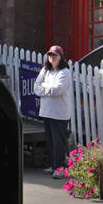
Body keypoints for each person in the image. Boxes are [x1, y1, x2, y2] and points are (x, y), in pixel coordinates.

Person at [36, 46, 72, 177]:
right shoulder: (46, 70)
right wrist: (47, 89)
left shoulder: (64, 72)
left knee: (59, 142)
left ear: (61, 57)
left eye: (55, 55)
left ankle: (60, 168)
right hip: (46, 111)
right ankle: (53, 166)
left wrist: (44, 86)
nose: (52, 58)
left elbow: (58, 90)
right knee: (50, 141)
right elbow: (36, 87)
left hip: (59, 113)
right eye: (50, 55)